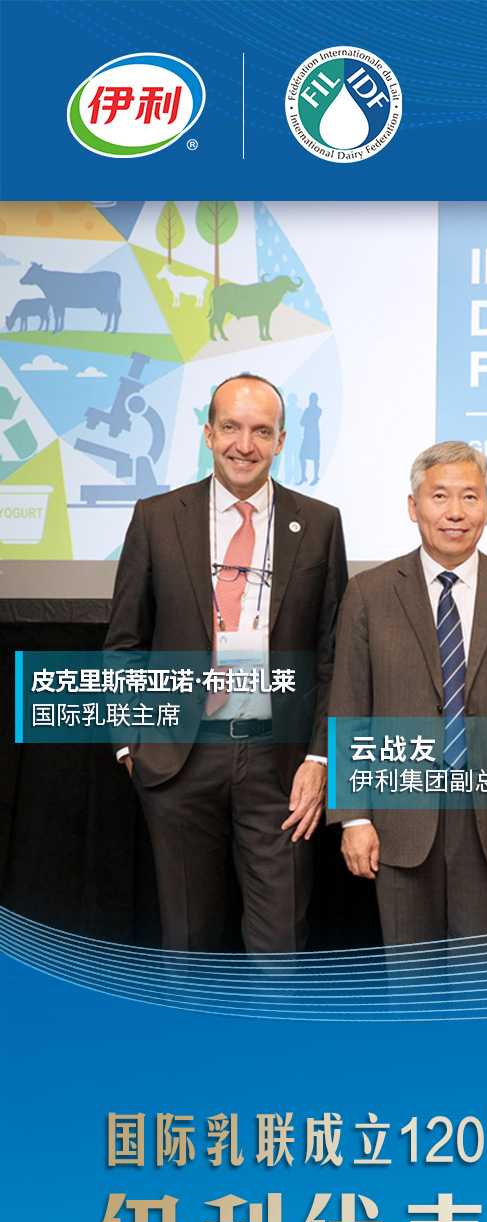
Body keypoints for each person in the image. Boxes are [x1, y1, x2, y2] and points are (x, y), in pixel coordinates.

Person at [104, 373, 348, 951]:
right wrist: (129, 743)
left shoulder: (319, 523)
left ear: (281, 440)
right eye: (232, 428)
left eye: (261, 431)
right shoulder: (157, 517)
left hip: (279, 763)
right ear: (208, 433)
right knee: (187, 942)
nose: (245, 445)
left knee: (280, 944)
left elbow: (332, 655)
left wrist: (320, 756)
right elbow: (124, 643)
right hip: (178, 756)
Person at [331, 441, 487, 944]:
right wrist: (354, 817)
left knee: (481, 980)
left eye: (469, 497)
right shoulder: (369, 592)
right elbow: (350, 708)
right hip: (398, 818)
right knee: (411, 980)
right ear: (413, 507)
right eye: (439, 496)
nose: (455, 512)